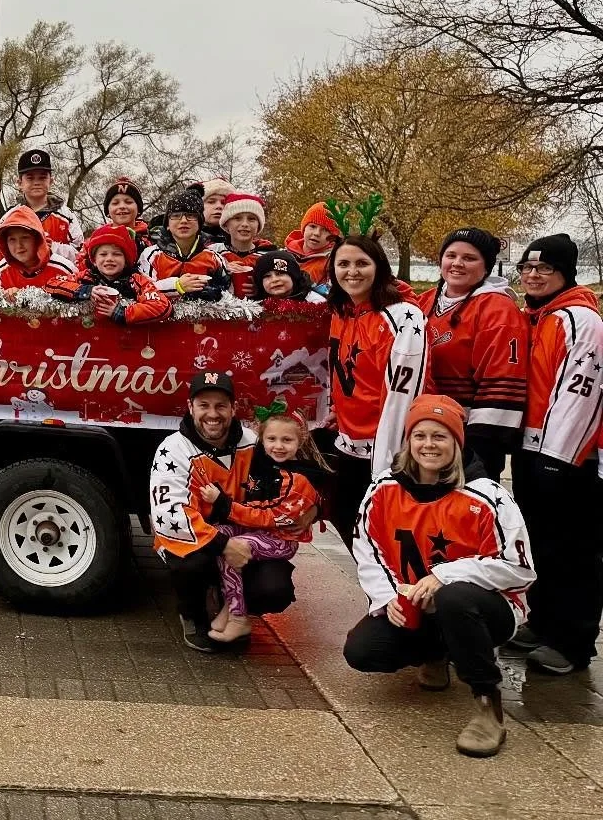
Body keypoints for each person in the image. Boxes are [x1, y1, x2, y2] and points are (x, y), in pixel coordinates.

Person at [345, 395, 533, 759]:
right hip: (417, 602)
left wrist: (446, 575)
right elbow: (367, 547)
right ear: (408, 441)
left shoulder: (488, 496)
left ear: (457, 442)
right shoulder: (384, 488)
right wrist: (388, 596)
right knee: (363, 651)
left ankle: (487, 704)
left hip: (486, 609)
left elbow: (519, 567)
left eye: (440, 436)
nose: (428, 445)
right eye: (420, 435)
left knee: (453, 597)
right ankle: (437, 653)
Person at [149, 371, 310, 651]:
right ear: (190, 407)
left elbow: (295, 476)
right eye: (204, 405)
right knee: (193, 565)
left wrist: (313, 509)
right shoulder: (173, 450)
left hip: (246, 533)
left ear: (233, 408)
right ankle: (193, 613)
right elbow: (169, 516)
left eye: (221, 406)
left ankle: (235, 610)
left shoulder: (252, 441)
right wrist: (224, 544)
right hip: (197, 539)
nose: (213, 414)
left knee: (275, 589)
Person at [506, 234, 603, 676]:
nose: (533, 275)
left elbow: (581, 394)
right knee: (541, 541)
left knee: (574, 548)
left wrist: (557, 458)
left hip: (569, 458)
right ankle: (543, 622)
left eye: (544, 268)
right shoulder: (537, 316)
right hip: (534, 449)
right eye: (527, 267)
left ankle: (572, 641)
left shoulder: (580, 319)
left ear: (565, 273)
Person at [326, 235, 429, 545]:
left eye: (362, 263)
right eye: (343, 264)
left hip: (383, 447)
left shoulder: (403, 317)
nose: (352, 271)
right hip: (348, 441)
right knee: (344, 517)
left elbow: (403, 393)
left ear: (379, 266)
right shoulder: (342, 311)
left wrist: (387, 462)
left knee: (382, 535)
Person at [199, 406, 326, 643]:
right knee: (216, 535)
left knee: (231, 546)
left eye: (287, 440)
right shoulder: (260, 462)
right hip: (253, 530)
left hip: (279, 539)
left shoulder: (299, 479)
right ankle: (229, 605)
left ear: (300, 440)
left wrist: (223, 503)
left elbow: (268, 515)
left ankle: (238, 616)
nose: (278, 446)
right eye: (272, 439)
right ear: (261, 438)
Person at [416, 228, 528, 480]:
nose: (457, 263)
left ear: (486, 267)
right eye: (451, 255)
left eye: (469, 258)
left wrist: (479, 451)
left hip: (470, 439)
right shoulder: (424, 302)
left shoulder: (498, 310)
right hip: (424, 432)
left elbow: (502, 382)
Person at [45, 224, 171, 325]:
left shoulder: (136, 280)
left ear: (126, 260)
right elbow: (51, 284)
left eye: (116, 254)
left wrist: (122, 312)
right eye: (103, 254)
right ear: (94, 260)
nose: (109, 259)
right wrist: (86, 291)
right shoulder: (85, 276)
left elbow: (162, 306)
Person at [139, 191, 230, 301]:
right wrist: (177, 286)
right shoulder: (151, 255)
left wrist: (216, 292)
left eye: (190, 215)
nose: (183, 221)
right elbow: (143, 291)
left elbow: (229, 295)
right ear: (167, 225)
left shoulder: (214, 258)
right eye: (176, 216)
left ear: (200, 223)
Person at [15, 149, 81, 257]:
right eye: (30, 178)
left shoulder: (67, 216)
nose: (37, 182)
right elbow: (0, 251)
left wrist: (53, 248)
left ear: (51, 181)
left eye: (42, 178)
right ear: (19, 183)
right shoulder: (11, 216)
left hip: (59, 268)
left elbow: (81, 252)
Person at [0, 206, 73, 290]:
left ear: (38, 239)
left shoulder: (64, 269)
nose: (19, 245)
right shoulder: (2, 270)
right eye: (12, 240)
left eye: (25, 238)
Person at [214, 193, 273, 298]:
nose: (245, 224)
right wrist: (221, 270)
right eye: (237, 218)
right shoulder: (213, 252)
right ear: (226, 224)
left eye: (251, 219)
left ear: (259, 225)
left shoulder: (269, 256)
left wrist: (261, 289)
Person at [283, 203, 341, 292]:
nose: (317, 233)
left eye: (325, 230)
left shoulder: (333, 263)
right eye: (313, 226)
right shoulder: (283, 255)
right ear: (304, 228)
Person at [250, 249, 327, 304]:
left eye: (279, 273)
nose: (274, 279)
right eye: (267, 276)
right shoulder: (255, 305)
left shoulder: (315, 302)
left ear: (293, 276)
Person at [197, 176, 235, 244]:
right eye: (211, 202)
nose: (219, 206)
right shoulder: (187, 238)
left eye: (223, 203)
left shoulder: (240, 238)